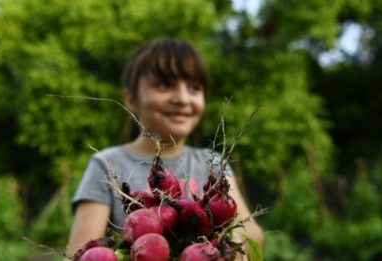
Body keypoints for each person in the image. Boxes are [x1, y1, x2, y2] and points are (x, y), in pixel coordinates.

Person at [65, 38, 264, 259]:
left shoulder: (215, 163)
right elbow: (81, 251)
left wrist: (226, 249)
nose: (182, 98)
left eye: (194, 87)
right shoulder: (106, 164)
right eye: (164, 84)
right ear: (131, 98)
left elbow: (253, 234)